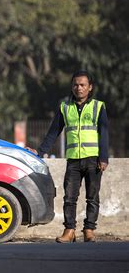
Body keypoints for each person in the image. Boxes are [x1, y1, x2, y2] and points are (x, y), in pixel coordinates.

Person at [27, 70, 109, 243]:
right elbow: (53, 132)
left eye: (82, 85)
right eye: (75, 85)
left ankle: (89, 230)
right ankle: (69, 230)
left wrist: (104, 158)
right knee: (69, 198)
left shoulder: (98, 107)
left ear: (90, 87)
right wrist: (40, 152)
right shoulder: (65, 108)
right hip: (73, 160)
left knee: (92, 197)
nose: (78, 88)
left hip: (94, 160)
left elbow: (104, 133)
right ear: (72, 86)